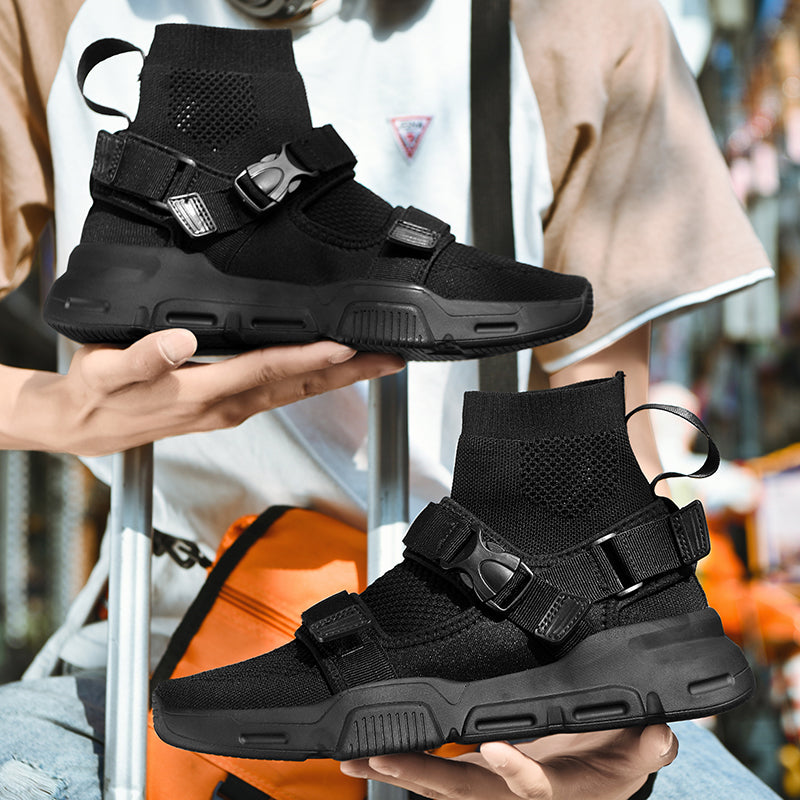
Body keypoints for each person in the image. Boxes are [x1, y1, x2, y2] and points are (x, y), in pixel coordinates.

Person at [0, 0, 777, 798]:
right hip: (155, 633)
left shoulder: (574, 19)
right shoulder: (53, 10)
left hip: (492, 648)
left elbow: (594, 463)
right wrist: (63, 414)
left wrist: (603, 742)